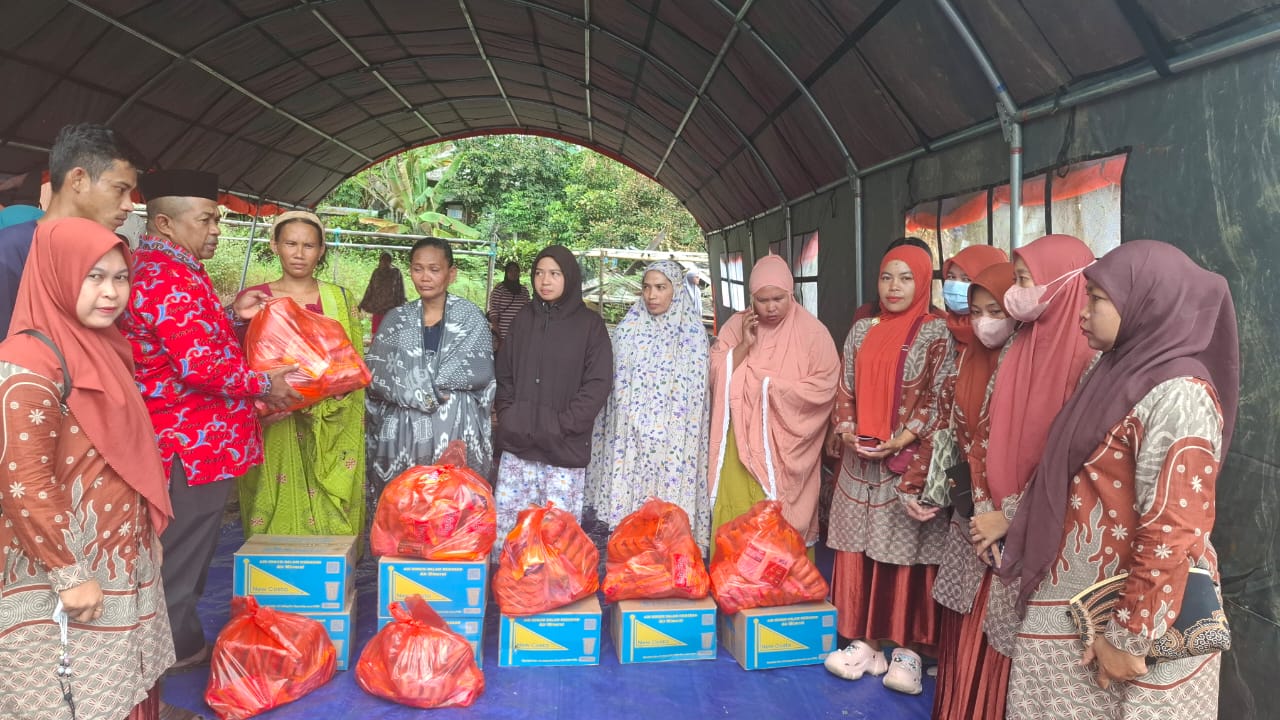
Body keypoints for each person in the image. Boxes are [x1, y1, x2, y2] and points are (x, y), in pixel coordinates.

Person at [1001, 240, 1237, 719]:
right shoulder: (1111, 370)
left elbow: (1175, 527)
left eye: (1097, 300)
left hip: (1128, 623)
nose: (1083, 313)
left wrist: (1130, 637)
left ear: (1145, 303)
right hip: (1075, 610)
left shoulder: (1179, 395)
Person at [121, 169, 300, 672]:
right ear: (165, 222)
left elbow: (184, 337)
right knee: (180, 554)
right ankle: (169, 652)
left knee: (185, 550)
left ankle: (172, 641)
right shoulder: (168, 277)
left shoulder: (172, 269)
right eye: (206, 219)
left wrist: (229, 313)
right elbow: (199, 365)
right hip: (188, 445)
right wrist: (268, 384)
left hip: (197, 441)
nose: (217, 229)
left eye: (218, 219)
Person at [0, 218, 174, 719]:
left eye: (121, 277)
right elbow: (23, 482)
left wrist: (146, 531)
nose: (111, 292)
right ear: (56, 274)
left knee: (125, 688)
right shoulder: (27, 361)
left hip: (119, 561)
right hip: (63, 571)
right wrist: (69, 575)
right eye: (93, 276)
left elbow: (124, 455)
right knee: (73, 698)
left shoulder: (106, 347)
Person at [823, 244, 950, 694]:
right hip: (862, 462)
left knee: (905, 556)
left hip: (905, 463)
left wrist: (904, 437)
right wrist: (848, 429)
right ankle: (866, 643)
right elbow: (845, 388)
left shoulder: (937, 333)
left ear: (922, 282)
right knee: (857, 548)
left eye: (905, 278)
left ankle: (908, 650)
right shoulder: (860, 330)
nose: (893, 288)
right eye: (885, 278)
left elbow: (940, 398)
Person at [968, 233, 1098, 660]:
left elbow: (1075, 460)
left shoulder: (1093, 361)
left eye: (1025, 280)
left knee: (1035, 651)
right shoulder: (1017, 343)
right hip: (995, 525)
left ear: (1061, 281)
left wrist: (1010, 518)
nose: (1016, 294)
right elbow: (985, 430)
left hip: (1049, 531)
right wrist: (986, 506)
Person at [237, 211, 366, 537]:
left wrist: (334, 392)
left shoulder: (339, 298)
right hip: (275, 423)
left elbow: (353, 362)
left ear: (321, 250)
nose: (298, 253)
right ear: (275, 245)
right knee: (275, 499)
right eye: (290, 243)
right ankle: (275, 578)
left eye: (308, 245)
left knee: (329, 509)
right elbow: (239, 360)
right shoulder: (257, 299)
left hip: (330, 422)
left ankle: (331, 576)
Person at [929, 260, 1019, 720]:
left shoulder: (1028, 361)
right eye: (978, 310)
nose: (984, 321)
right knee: (965, 624)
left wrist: (1002, 512)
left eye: (995, 309)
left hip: (1012, 524)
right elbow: (960, 429)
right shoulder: (969, 354)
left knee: (993, 635)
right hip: (972, 510)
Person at [707, 255, 839, 552]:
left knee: (779, 525)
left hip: (787, 442)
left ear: (790, 293)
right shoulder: (735, 326)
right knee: (739, 513)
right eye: (762, 300)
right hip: (738, 442)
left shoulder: (813, 333)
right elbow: (715, 373)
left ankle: (782, 585)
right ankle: (734, 581)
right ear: (751, 298)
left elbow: (826, 384)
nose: (770, 307)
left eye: (778, 298)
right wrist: (744, 345)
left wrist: (772, 390)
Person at [493, 245, 612, 554]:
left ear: (569, 278)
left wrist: (563, 424)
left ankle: (554, 598)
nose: (545, 281)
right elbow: (503, 372)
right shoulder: (523, 320)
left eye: (555, 274)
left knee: (555, 541)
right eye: (539, 273)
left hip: (563, 449)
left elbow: (598, 384)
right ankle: (511, 594)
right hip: (519, 447)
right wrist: (509, 414)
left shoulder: (590, 326)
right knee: (511, 535)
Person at [585, 260, 711, 548]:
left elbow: (696, 396)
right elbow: (614, 387)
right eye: (646, 287)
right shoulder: (627, 331)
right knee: (632, 515)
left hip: (674, 442)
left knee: (667, 518)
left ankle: (668, 563)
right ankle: (630, 563)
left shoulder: (692, 337)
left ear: (676, 290)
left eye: (660, 287)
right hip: (631, 437)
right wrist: (634, 423)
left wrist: (667, 427)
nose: (652, 295)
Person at [365, 237, 495, 509]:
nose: (425, 277)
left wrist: (418, 386)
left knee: (450, 504)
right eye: (417, 269)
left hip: (454, 425)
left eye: (434, 270)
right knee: (407, 506)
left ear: (451, 273)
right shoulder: (395, 320)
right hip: (404, 432)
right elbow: (376, 374)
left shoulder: (470, 318)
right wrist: (414, 391)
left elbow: (481, 371)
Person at [0, 123, 137, 335]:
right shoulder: (10, 251)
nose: (129, 205)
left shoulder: (106, 255)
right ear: (78, 179)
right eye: (120, 190)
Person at [486, 260, 530, 352]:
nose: (513, 273)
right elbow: (494, 310)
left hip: (519, 334)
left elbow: (528, 310)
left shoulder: (524, 291)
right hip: (502, 332)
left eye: (516, 271)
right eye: (510, 270)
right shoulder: (500, 288)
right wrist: (497, 333)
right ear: (506, 273)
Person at [358, 251, 405, 336]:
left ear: (391, 261)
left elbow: (400, 291)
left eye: (387, 260)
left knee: (389, 333)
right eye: (383, 260)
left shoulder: (396, 273)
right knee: (376, 333)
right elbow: (370, 289)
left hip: (390, 309)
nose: (385, 262)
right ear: (380, 261)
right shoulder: (376, 273)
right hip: (378, 309)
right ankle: (376, 348)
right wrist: (362, 304)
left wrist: (401, 307)